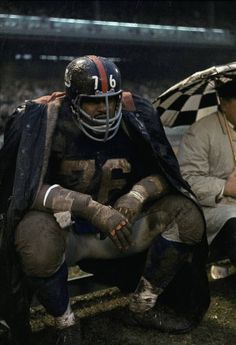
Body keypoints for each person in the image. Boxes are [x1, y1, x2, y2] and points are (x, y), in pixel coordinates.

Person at [0, 55, 210, 345]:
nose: (106, 109)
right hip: (67, 233)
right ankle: (64, 322)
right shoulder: (45, 119)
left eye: (111, 100)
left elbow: (166, 175)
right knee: (33, 233)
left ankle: (142, 305)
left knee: (186, 212)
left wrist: (137, 196)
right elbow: (23, 190)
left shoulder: (136, 113)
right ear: (73, 99)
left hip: (125, 228)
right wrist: (90, 208)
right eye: (94, 102)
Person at [178, 78, 236, 279]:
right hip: (214, 209)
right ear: (224, 102)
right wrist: (226, 187)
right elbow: (187, 180)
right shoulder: (200, 131)